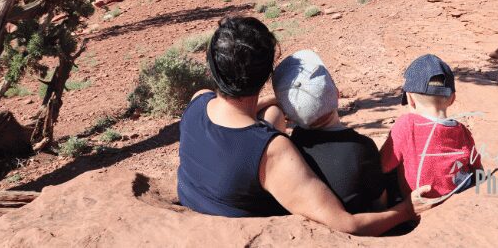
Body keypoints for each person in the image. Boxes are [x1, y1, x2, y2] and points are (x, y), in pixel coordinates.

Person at [177, 16, 436, 236]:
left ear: (214, 68)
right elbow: (347, 224)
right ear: (267, 74)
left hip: (198, 206)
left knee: (274, 114)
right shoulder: (272, 151)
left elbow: (237, 111)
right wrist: (405, 211)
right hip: (236, 231)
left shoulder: (198, 101)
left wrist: (277, 102)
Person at [272, 50, 386, 214]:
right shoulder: (362, 147)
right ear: (338, 94)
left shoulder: (291, 147)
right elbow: (380, 204)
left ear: (287, 117)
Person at [380, 54, 483, 200]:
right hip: (457, 192)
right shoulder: (462, 130)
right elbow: (477, 168)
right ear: (452, 99)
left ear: (410, 99)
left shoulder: (407, 124)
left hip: (420, 202)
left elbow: (383, 165)